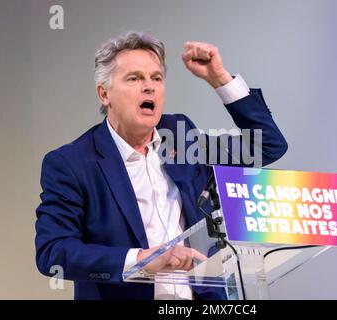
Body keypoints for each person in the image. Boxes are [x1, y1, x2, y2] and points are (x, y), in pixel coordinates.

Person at [35, 31, 288, 300]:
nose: (149, 86)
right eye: (134, 78)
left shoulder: (179, 134)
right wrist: (141, 259)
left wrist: (220, 79)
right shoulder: (72, 163)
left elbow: (266, 146)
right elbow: (54, 251)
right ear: (104, 93)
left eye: (156, 78)